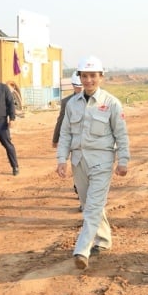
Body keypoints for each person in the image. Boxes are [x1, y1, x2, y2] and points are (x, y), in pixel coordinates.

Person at [56, 55, 129, 270]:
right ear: (79, 77)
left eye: (93, 76)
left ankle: (82, 249)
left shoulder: (111, 103)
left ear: (101, 77)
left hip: (102, 162)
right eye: (84, 76)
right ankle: (104, 240)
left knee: (93, 207)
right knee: (90, 205)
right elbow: (66, 133)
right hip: (79, 161)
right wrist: (62, 159)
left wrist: (123, 160)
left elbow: (121, 135)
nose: (88, 80)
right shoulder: (72, 104)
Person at [53, 71, 84, 209]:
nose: (81, 89)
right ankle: (81, 192)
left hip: (91, 143)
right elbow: (61, 121)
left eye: (81, 86)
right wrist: (56, 138)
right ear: (73, 86)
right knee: (77, 167)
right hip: (74, 140)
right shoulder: (67, 102)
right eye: (78, 86)